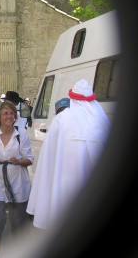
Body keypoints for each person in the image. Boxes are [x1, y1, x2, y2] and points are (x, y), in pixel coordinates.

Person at [26, 80, 110, 231]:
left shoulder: (62, 118)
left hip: (65, 185)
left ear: (73, 98)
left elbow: (48, 156)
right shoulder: (102, 120)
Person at [0, 100, 34, 257]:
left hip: (17, 182)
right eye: (5, 113)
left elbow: (29, 158)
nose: (9, 116)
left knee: (18, 223)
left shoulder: (20, 134)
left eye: (11, 113)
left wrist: (19, 161)